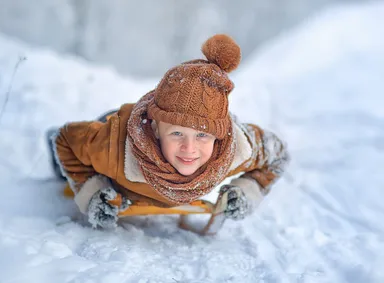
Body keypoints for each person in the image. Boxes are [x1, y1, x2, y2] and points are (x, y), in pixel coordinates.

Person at [49, 34, 289, 229]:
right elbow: (66, 140)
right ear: (156, 128)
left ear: (218, 136)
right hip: (117, 126)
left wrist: (249, 190)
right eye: (177, 134)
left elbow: (278, 155)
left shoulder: (237, 149)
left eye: (202, 135)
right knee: (65, 165)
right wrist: (92, 190)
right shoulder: (113, 147)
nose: (189, 148)